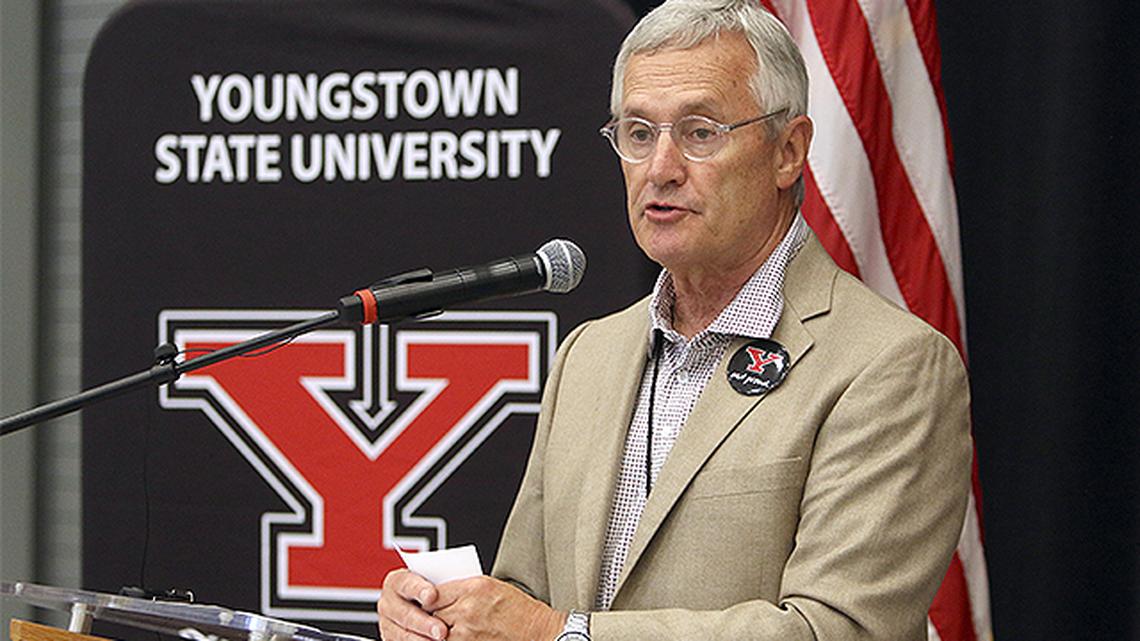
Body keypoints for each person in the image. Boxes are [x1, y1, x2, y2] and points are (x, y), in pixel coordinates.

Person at [376, 0, 971, 639]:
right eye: (638, 133)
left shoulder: (890, 365)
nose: (660, 168)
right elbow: (528, 594)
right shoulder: (588, 354)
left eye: (700, 132)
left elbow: (839, 630)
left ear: (788, 152)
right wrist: (442, 614)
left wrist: (559, 634)